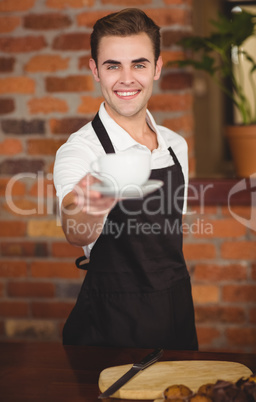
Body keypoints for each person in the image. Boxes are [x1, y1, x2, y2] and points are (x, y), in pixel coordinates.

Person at [53, 8, 198, 350]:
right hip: (111, 326)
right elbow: (76, 231)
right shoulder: (79, 151)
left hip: (176, 314)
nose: (127, 78)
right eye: (112, 65)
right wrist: (97, 196)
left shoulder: (176, 146)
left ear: (157, 68)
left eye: (139, 64)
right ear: (95, 71)